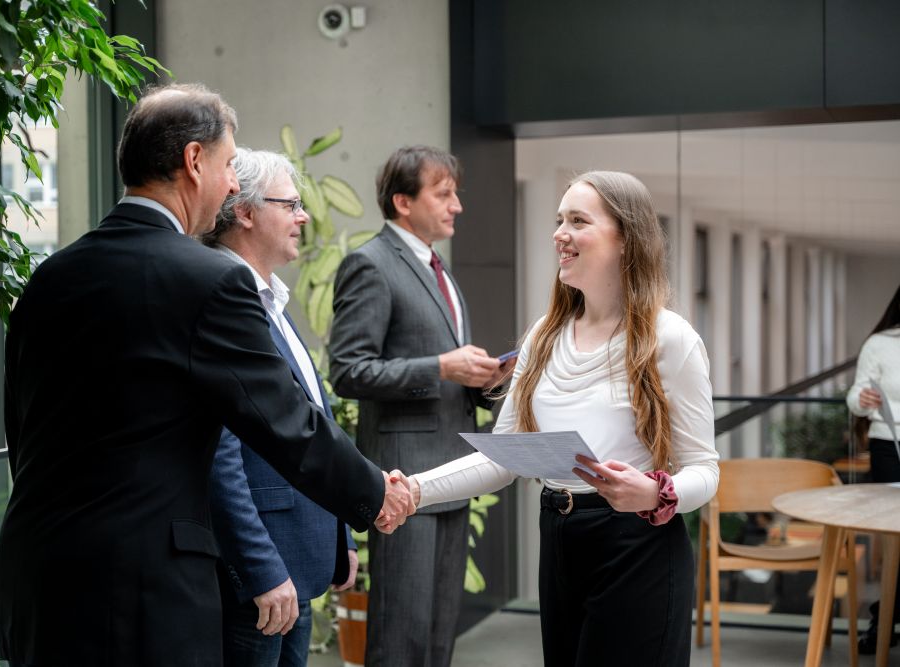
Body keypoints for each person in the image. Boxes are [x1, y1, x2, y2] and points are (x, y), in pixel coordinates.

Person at [0, 84, 411, 667]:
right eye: (228, 164)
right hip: (141, 595)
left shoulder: (50, 277)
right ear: (194, 161)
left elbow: (21, 430)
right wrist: (374, 492)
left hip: (36, 581)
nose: (233, 184)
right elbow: (284, 421)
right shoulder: (210, 280)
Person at [402, 171, 719, 666]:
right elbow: (504, 457)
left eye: (577, 221)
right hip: (558, 535)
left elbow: (705, 469)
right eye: (558, 220)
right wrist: (412, 490)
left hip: (638, 546)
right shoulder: (544, 335)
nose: (559, 234)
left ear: (626, 238)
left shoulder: (671, 339)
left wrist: (656, 493)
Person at [329, 145, 506, 667]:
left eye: (455, 194)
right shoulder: (370, 264)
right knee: (401, 638)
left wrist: (484, 380)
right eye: (443, 194)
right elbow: (348, 370)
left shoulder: (439, 269)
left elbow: (445, 368)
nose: (457, 205)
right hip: (402, 479)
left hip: (453, 473)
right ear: (403, 202)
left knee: (437, 638)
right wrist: (441, 367)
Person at [201, 148, 358, 667]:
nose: (304, 216)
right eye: (290, 204)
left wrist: (340, 534)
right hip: (262, 576)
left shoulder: (270, 298)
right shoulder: (224, 298)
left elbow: (313, 424)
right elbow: (220, 455)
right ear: (245, 212)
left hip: (299, 562)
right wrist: (261, 569)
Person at [846, 282, 900, 654]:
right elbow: (855, 397)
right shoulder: (880, 344)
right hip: (889, 447)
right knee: (896, 537)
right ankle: (884, 620)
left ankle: (885, 617)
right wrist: (862, 399)